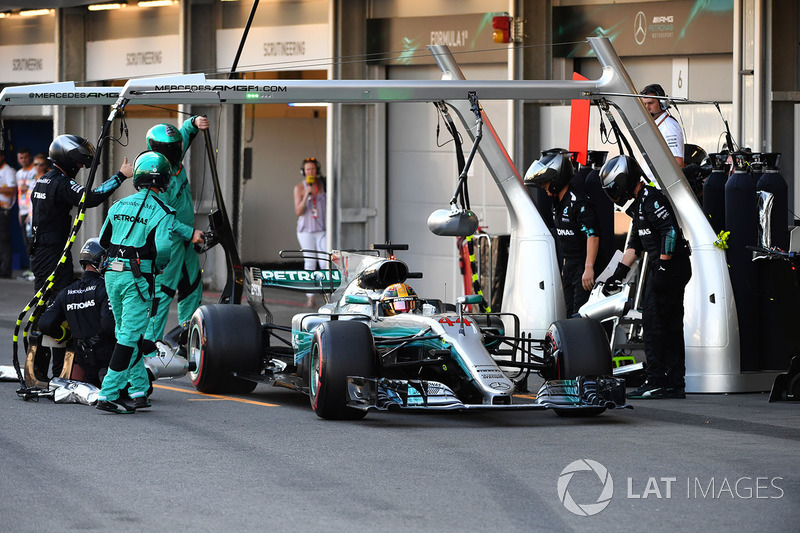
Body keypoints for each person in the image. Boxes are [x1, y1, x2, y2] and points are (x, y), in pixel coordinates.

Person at [96, 151, 185, 414]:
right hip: (138, 277)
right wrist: (156, 268)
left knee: (125, 333)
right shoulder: (165, 210)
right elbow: (163, 249)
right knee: (131, 335)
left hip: (111, 274)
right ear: (165, 180)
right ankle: (108, 394)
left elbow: (103, 241)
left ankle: (138, 390)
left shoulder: (118, 205)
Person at [600, 155, 692, 399]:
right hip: (665, 267)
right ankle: (674, 383)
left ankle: (656, 382)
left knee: (655, 326)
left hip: (669, 268)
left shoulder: (652, 200)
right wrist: (618, 274)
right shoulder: (639, 205)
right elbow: (635, 245)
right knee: (669, 326)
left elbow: (669, 231)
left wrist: (662, 267)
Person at [143, 116, 208, 351]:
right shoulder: (155, 175)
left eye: (176, 146)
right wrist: (189, 232)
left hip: (187, 241)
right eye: (170, 148)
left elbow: (185, 133)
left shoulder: (175, 160)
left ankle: (187, 337)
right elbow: (160, 219)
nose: (175, 151)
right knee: (162, 293)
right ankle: (150, 345)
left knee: (192, 286)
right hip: (167, 244)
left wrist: (194, 122)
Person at [525, 152, 605, 316]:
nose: (543, 186)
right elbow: (565, 236)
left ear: (556, 179)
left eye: (545, 182)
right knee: (569, 314)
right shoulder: (556, 203)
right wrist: (565, 264)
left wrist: (588, 268)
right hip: (569, 266)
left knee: (579, 315)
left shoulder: (579, 203)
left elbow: (593, 236)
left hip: (584, 267)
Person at [39, 238, 115, 388]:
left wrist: (65, 336)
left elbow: (45, 324)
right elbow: (109, 323)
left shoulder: (66, 292)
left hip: (83, 360)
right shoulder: (106, 288)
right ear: (102, 260)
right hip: (108, 357)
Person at [293, 156, 327, 307]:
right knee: (310, 262)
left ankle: (327, 294)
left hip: (323, 229)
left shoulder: (324, 184)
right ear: (303, 172)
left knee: (325, 262)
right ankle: (310, 297)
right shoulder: (299, 188)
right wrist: (306, 194)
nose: (310, 172)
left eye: (313, 169)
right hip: (306, 230)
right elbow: (298, 212)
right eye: (308, 169)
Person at [640, 83, 684, 174]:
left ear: (662, 103)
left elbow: (678, 163)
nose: (647, 107)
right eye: (644, 104)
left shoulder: (669, 127)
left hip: (660, 187)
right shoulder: (656, 125)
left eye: (650, 103)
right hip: (652, 185)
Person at [18, 152, 47, 279]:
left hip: (39, 217)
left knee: (39, 245)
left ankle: (38, 271)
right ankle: (33, 270)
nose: (38, 167)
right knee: (30, 244)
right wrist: (23, 212)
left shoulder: (46, 178)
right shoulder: (32, 178)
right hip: (29, 215)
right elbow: (28, 198)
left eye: (41, 164)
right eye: (36, 164)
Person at [15, 148, 36, 278]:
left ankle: (34, 269)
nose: (24, 160)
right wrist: (19, 211)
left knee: (32, 241)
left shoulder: (35, 171)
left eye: (26, 157)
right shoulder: (18, 173)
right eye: (21, 158)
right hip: (23, 210)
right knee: (26, 241)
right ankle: (30, 268)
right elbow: (19, 193)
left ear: (30, 157)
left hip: (31, 211)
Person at [0, 150, 17, 278]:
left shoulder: (8, 170)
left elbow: (12, 189)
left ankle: (6, 270)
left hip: (3, 209)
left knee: (4, 240)